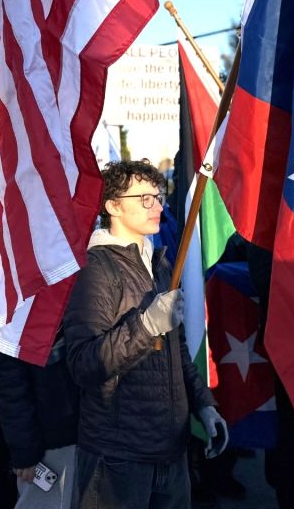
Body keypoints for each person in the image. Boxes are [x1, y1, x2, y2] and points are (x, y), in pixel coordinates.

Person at [64, 160, 224, 509]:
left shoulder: (160, 263)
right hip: (118, 457)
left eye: (158, 196)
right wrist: (146, 325)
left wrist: (205, 406)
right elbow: (83, 364)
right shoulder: (96, 269)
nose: (158, 206)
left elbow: (177, 351)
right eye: (144, 198)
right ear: (113, 206)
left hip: (170, 451)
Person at [0, 329, 80, 508]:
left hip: (77, 429)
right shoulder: (12, 306)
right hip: (48, 438)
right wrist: (25, 451)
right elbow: (5, 377)